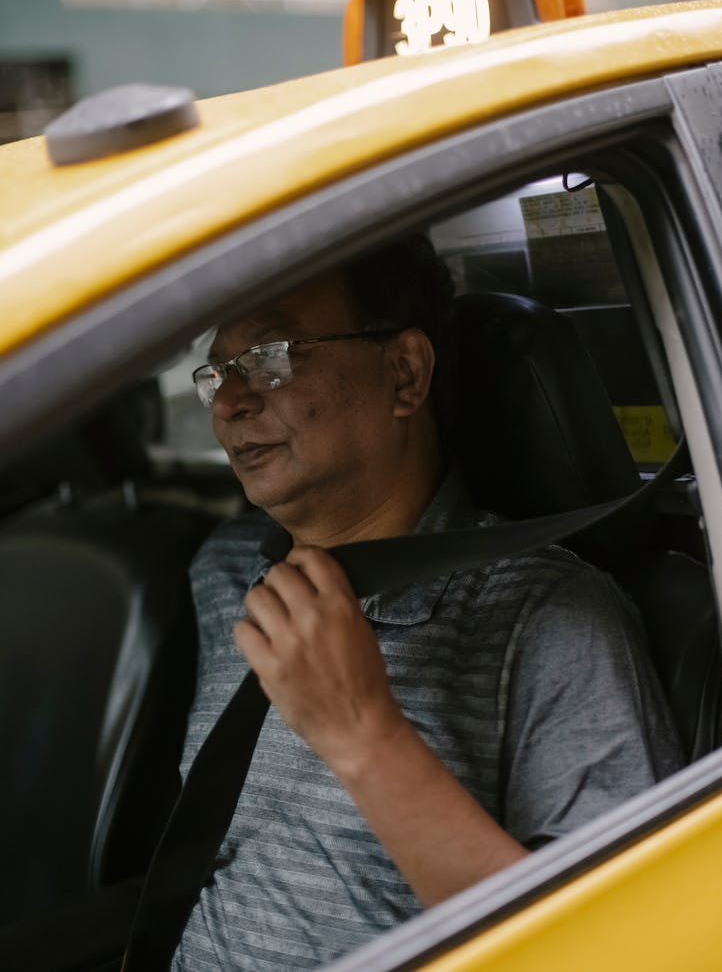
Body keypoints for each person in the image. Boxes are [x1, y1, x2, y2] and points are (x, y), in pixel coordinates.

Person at [172, 235, 682, 971]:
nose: (229, 400)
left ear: (405, 372)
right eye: (217, 370)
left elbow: (604, 951)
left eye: (271, 353)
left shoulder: (554, 616)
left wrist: (365, 735)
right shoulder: (222, 570)